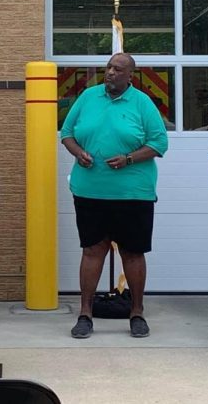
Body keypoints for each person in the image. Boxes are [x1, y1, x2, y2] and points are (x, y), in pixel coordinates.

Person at [61, 53, 168, 339]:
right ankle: (85, 313)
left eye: (117, 69)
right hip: (90, 191)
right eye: (108, 68)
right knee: (92, 250)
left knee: (132, 252)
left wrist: (130, 159)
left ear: (130, 76)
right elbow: (67, 133)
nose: (110, 73)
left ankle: (136, 313)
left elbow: (159, 142)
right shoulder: (88, 97)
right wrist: (78, 152)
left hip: (133, 193)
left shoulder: (142, 103)